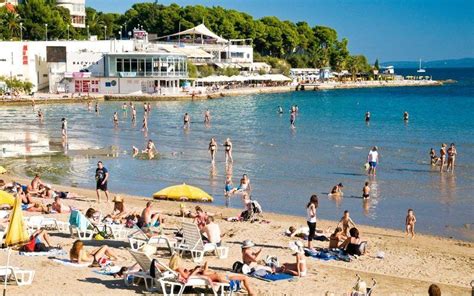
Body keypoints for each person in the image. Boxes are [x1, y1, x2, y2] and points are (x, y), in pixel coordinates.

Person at [168, 255, 255, 296]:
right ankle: (250, 292)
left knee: (245, 277)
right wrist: (196, 271)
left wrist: (195, 270)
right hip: (217, 277)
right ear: (177, 262)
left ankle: (250, 292)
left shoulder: (177, 270)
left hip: (217, 276)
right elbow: (187, 278)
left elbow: (187, 276)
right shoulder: (179, 269)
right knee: (244, 277)